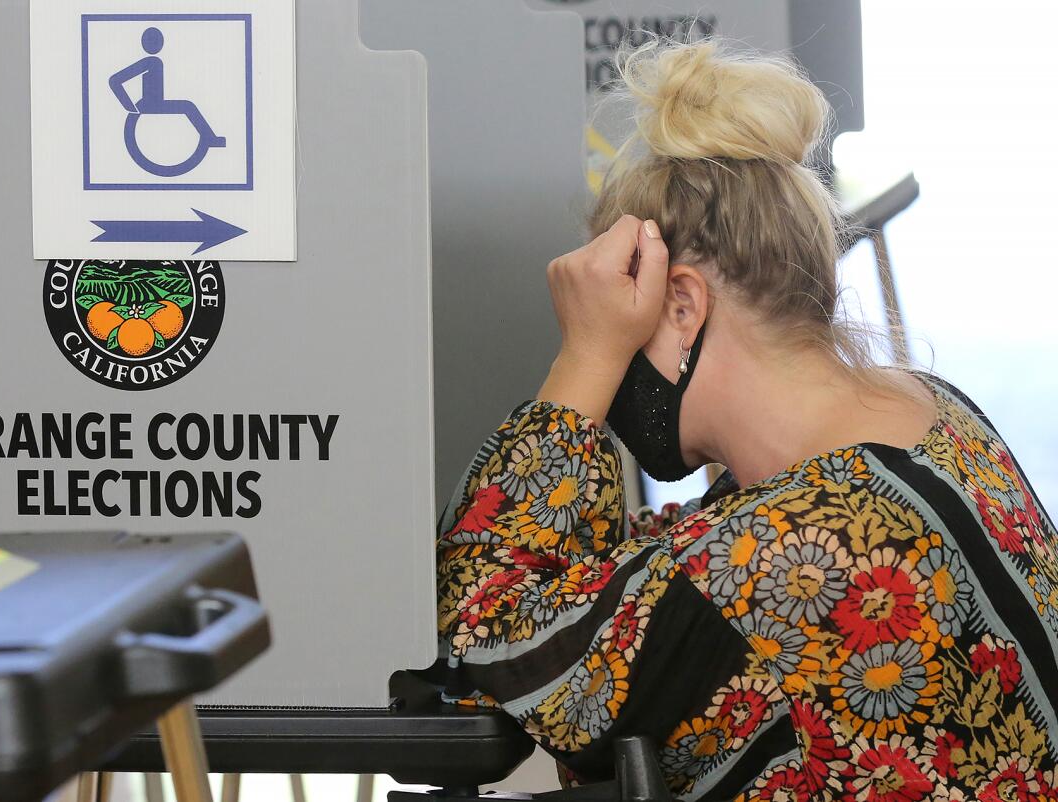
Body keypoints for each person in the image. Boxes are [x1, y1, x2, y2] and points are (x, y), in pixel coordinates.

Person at [428, 38, 1058, 800]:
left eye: (626, 322)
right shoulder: (937, 419)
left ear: (685, 303)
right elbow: (654, 571)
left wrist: (585, 361)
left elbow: (491, 629)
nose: (617, 352)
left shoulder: (780, 556)